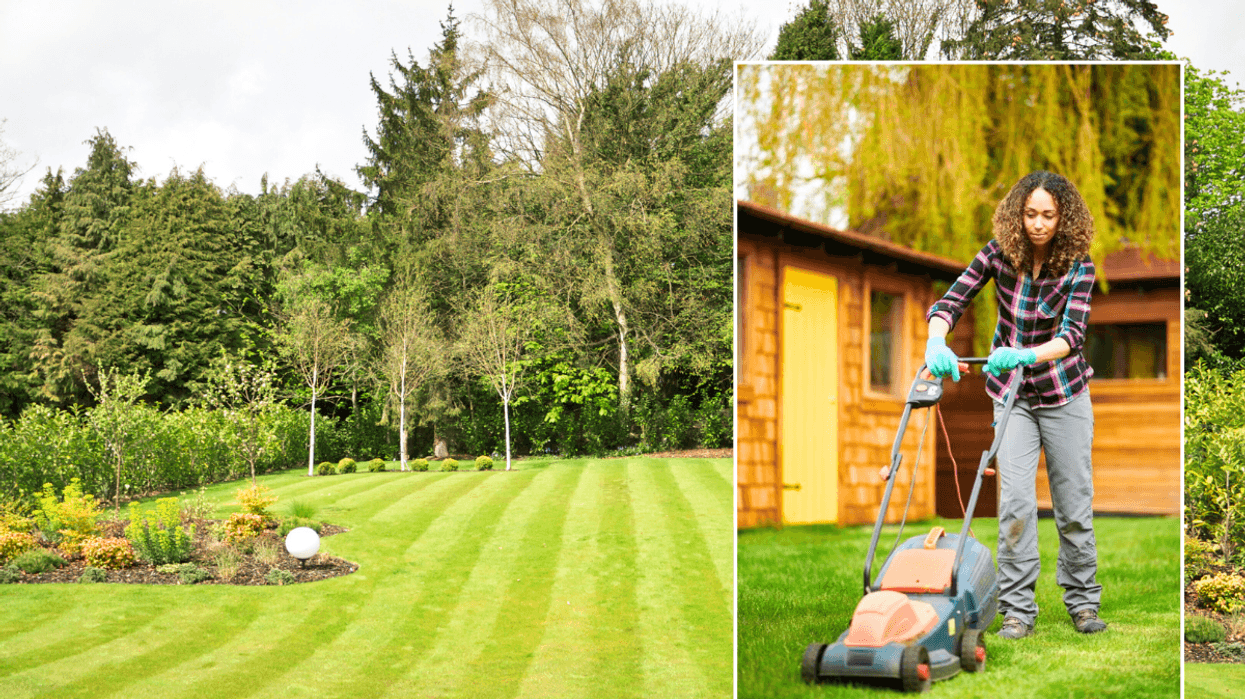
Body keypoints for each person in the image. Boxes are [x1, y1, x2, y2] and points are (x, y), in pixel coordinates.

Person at [923, 170, 1106, 639]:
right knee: (1016, 505)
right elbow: (952, 300)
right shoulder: (997, 255)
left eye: (1048, 215)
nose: (1038, 224)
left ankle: (1083, 604)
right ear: (1016, 215)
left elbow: (1072, 336)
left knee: (1072, 506)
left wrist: (1027, 353)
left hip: (1064, 393)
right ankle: (1018, 611)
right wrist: (935, 341)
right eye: (1030, 214)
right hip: (1013, 397)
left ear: (1064, 218)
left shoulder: (1079, 267)